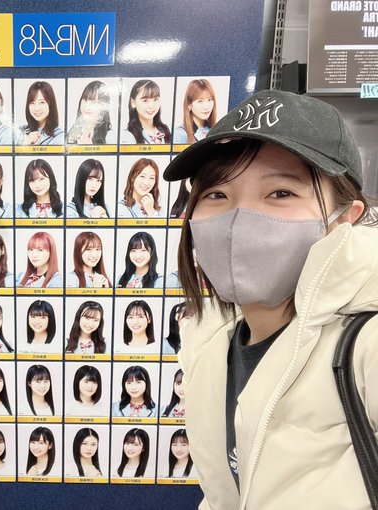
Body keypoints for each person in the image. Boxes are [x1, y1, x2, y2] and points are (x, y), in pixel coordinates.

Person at [163, 89, 377, 509]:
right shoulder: (208, 343)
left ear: (345, 219)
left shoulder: (367, 344)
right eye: (216, 194)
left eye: (281, 193)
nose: (238, 218)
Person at [120, 79, 171, 144]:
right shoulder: (127, 135)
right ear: (133, 102)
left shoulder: (167, 130)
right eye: (145, 100)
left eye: (155, 99)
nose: (151, 106)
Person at [66, 81, 115, 145]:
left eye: (94, 102)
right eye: (85, 100)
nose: (87, 107)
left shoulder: (110, 136)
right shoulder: (73, 131)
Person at [16, 81, 64, 146]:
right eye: (32, 103)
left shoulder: (59, 136)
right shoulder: (20, 131)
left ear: (50, 104)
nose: (36, 108)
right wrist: (26, 142)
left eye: (42, 102)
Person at [173, 79, 216, 144]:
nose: (206, 106)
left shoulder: (216, 130)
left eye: (209, 100)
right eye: (200, 101)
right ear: (189, 105)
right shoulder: (181, 134)